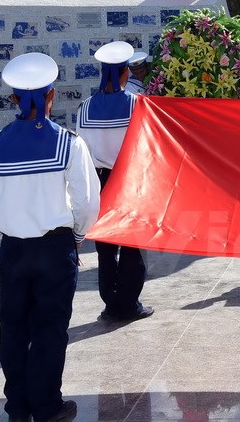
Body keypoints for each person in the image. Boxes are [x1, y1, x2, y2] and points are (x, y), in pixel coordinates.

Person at [0, 52, 101, 422]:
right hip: (54, 247)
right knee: (50, 329)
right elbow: (86, 200)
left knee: (13, 328)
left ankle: (17, 406)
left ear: (14, 99)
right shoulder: (69, 144)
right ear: (52, 96)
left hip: (12, 251)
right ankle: (47, 405)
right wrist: (78, 236)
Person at [76, 41, 154, 323]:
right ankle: (130, 303)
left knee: (106, 247)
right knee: (132, 244)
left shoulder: (85, 108)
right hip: (130, 180)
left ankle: (111, 304)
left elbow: (83, 151)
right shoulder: (137, 104)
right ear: (124, 74)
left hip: (99, 181)